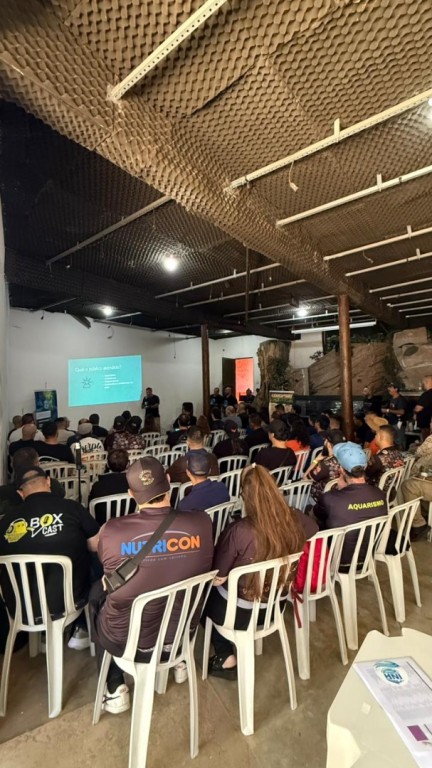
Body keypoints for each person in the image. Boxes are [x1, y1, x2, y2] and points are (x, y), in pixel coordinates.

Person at [91, 457, 214, 712]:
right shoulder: (202, 522)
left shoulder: (112, 531)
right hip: (180, 634)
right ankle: (179, 662)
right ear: (168, 481)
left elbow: (108, 569)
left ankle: (115, 686)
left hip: (128, 643)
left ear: (131, 494)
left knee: (98, 599)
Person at [204, 464, 312, 678]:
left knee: (203, 596)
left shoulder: (239, 531)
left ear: (245, 496)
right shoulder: (295, 518)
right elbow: (313, 529)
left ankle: (225, 656)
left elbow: (218, 577)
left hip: (239, 613)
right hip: (274, 606)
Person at [0, 466, 99, 650]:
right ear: (48, 482)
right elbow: (95, 545)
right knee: (94, 560)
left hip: (20, 607)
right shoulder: (72, 508)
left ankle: (45, 635)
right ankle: (83, 627)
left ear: (20, 493)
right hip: (68, 601)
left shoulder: (5, 521)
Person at [314, 442, 388, 566]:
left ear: (341, 470)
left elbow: (318, 516)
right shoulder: (379, 494)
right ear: (365, 467)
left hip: (336, 562)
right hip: (368, 559)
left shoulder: (330, 498)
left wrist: (339, 490)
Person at [0, 448, 65, 518]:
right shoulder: (53, 485)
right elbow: (62, 494)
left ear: (13, 466)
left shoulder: (3, 493)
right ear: (37, 464)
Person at [303, 429, 345, 505]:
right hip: (339, 496)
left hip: (320, 498)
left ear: (328, 443)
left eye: (325, 440)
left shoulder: (326, 464)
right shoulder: (346, 459)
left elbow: (306, 478)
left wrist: (316, 460)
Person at [365, 425, 404, 491]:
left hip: (376, 493)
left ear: (381, 437)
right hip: (391, 492)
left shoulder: (378, 458)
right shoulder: (399, 454)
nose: (375, 437)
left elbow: (365, 476)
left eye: (376, 435)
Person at [381, 384, 408, 449]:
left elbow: (402, 412)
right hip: (391, 423)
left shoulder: (401, 399)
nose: (388, 389)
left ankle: (401, 452)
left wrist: (388, 410)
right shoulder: (391, 399)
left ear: (396, 389)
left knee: (399, 441)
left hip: (398, 423)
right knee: (393, 441)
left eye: (391, 387)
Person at [414, 375, 432, 442]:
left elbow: (418, 408)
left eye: (423, 382)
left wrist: (414, 410)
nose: (423, 384)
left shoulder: (427, 394)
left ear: (427, 382)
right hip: (429, 423)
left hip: (426, 424)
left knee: (426, 442)